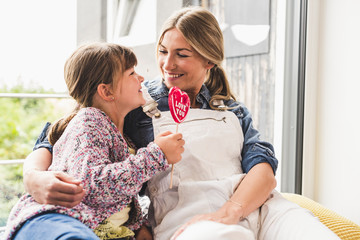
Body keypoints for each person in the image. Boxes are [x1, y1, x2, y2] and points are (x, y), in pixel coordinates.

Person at [20, 6, 339, 240]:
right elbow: (59, 134)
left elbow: (264, 172)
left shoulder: (231, 109)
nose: (166, 65)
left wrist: (231, 212)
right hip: (192, 220)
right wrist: (33, 177)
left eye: (182, 54)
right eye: (162, 51)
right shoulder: (135, 106)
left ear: (209, 60)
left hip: (258, 208)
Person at [4, 42, 184, 240]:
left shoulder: (124, 137)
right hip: (65, 220)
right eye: (132, 73)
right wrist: (157, 155)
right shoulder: (90, 120)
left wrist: (137, 224)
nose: (141, 78)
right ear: (107, 92)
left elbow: (120, 195)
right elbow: (93, 185)